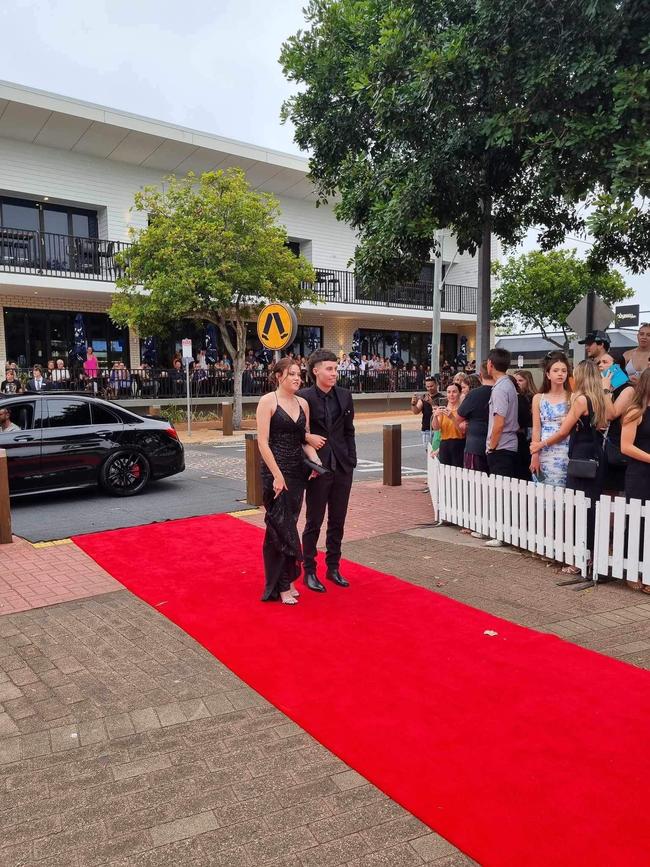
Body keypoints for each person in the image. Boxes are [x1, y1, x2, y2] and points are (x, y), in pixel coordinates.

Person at [531, 360, 615, 572]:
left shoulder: (580, 400)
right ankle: (591, 557)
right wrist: (606, 388)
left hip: (580, 456)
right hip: (597, 455)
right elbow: (611, 415)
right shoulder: (600, 398)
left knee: (579, 507)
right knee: (592, 505)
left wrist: (540, 444)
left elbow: (563, 431)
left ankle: (580, 560)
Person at [256, 358, 322, 604]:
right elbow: (262, 442)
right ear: (278, 376)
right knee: (280, 527)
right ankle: (282, 585)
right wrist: (276, 475)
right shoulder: (267, 402)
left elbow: (303, 440)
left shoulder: (303, 403)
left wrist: (316, 464)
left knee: (290, 524)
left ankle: (286, 579)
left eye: (299, 374)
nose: (297, 378)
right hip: (274, 472)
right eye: (291, 373)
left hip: (297, 472)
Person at [299, 349, 357, 593]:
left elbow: (348, 430)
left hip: (342, 465)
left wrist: (351, 459)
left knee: (338, 520)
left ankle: (333, 567)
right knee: (314, 520)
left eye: (335, 368)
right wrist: (307, 438)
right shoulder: (303, 398)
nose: (334, 373)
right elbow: (294, 431)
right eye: (329, 369)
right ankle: (309, 571)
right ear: (316, 371)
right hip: (317, 468)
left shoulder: (344, 395)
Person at [621, 369, 650, 593]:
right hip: (639, 473)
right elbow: (626, 446)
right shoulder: (635, 411)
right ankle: (632, 571)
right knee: (637, 523)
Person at [530, 353, 572, 487]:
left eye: (564, 371)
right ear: (547, 374)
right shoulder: (538, 398)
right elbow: (536, 428)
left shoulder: (573, 397)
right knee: (542, 493)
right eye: (556, 370)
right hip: (543, 451)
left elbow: (567, 430)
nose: (560, 374)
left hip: (566, 450)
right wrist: (535, 455)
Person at [597, 353, 634, 493]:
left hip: (618, 446)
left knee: (615, 492)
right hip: (604, 445)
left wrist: (605, 389)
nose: (600, 365)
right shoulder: (605, 388)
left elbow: (612, 414)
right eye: (599, 362)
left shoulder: (627, 389)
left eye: (605, 362)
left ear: (616, 367)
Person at [485, 347, 519, 478]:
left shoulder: (500, 389)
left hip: (501, 448)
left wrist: (491, 448)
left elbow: (498, 423)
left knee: (500, 493)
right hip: (507, 446)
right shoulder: (508, 384)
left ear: (490, 364)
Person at [457, 362, 493, 473]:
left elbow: (459, 417)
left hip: (476, 445)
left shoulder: (474, 394)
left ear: (481, 375)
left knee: (475, 482)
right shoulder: (504, 391)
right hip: (499, 446)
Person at [431, 382, 466, 467]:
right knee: (445, 471)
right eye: (449, 392)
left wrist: (452, 417)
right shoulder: (443, 410)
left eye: (454, 392)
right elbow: (436, 428)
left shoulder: (463, 410)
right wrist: (435, 416)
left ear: (460, 393)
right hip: (445, 443)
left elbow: (463, 431)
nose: (451, 395)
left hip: (459, 443)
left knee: (458, 470)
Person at [411, 376, 445, 450]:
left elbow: (442, 411)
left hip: (438, 430)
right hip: (426, 429)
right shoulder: (424, 398)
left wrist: (431, 403)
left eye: (431, 386)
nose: (429, 388)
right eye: (428, 386)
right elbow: (416, 411)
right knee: (429, 452)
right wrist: (413, 403)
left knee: (437, 453)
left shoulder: (442, 398)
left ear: (436, 385)